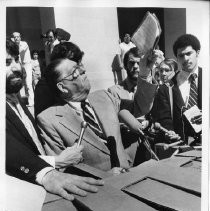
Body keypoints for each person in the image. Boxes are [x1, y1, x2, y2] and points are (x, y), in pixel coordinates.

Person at [36, 41, 157, 172]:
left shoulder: (104, 96)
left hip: (128, 175)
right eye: (75, 71)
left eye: (80, 65)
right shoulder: (49, 119)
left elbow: (140, 107)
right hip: (98, 188)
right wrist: (105, 177)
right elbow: (62, 170)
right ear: (62, 87)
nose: (83, 70)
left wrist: (144, 73)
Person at [6, 39, 104, 200]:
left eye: (17, 60)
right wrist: (53, 164)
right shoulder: (46, 103)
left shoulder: (15, 99)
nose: (17, 67)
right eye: (7, 62)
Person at [151, 34, 202, 144]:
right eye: (181, 55)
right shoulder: (166, 88)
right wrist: (170, 133)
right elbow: (165, 119)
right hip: (182, 147)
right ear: (177, 58)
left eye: (189, 53)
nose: (185, 59)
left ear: (197, 52)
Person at [12, 32, 34, 106]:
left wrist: (12, 43)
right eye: (14, 37)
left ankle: (31, 102)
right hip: (20, 65)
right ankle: (21, 102)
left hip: (27, 65)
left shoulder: (24, 44)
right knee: (19, 83)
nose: (16, 38)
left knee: (28, 83)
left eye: (17, 37)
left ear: (20, 37)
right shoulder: (14, 45)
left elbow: (18, 51)